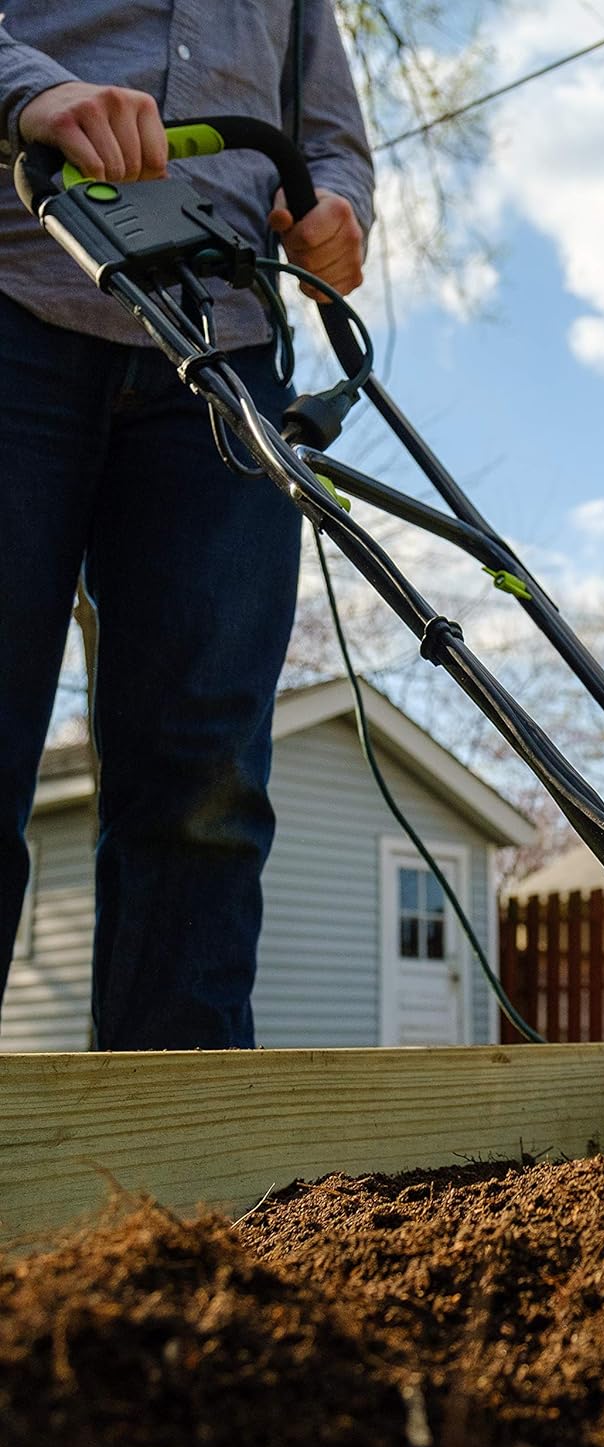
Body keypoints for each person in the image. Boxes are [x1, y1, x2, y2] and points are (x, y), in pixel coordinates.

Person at [0, 4, 374, 1048]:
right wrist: (32, 91)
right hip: (17, 282)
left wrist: (338, 209)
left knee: (205, 774)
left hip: (222, 344)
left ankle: (181, 1180)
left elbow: (331, 135)